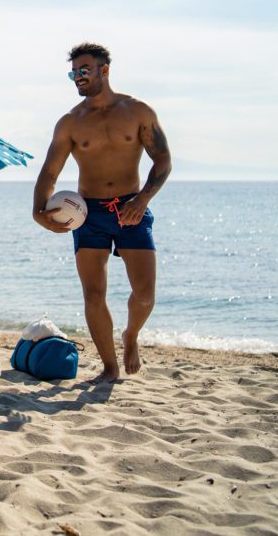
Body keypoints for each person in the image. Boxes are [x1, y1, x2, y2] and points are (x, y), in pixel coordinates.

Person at [33, 42, 172, 383]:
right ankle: (109, 367)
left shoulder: (138, 111)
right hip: (88, 213)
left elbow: (163, 162)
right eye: (73, 73)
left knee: (144, 295)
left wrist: (142, 201)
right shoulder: (70, 123)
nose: (77, 77)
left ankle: (131, 336)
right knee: (93, 295)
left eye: (84, 70)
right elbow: (49, 173)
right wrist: (39, 212)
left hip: (131, 207)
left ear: (104, 70)